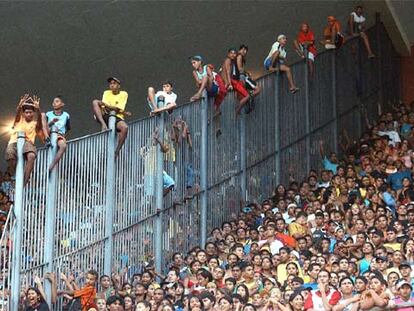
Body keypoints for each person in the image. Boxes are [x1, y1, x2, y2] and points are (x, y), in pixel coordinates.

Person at [5, 94, 43, 185]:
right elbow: (18, 113)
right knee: (10, 154)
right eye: (26, 112)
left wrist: (38, 109)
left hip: (28, 142)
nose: (29, 114)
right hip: (15, 141)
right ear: (24, 113)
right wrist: (20, 106)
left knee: (31, 156)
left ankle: (24, 181)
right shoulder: (19, 120)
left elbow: (40, 122)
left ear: (33, 113)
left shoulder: (34, 123)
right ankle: (14, 175)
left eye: (30, 112)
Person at [92, 77, 130, 156]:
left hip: (117, 117)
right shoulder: (106, 92)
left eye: (114, 83)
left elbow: (117, 109)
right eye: (110, 83)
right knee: (95, 102)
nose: (112, 85)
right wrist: (108, 107)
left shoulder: (124, 94)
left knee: (125, 127)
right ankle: (103, 125)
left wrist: (107, 106)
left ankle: (117, 151)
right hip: (105, 115)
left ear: (119, 86)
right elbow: (104, 107)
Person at [42, 95, 71, 171]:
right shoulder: (48, 114)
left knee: (63, 146)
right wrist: (51, 123)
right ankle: (47, 140)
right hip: (49, 133)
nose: (54, 103)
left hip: (59, 135)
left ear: (62, 104)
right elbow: (44, 126)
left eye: (57, 101)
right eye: (53, 102)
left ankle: (52, 166)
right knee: (42, 115)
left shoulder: (66, 115)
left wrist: (63, 137)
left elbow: (67, 128)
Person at [221, 48, 251, 115]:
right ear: (228, 54)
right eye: (231, 53)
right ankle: (238, 109)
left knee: (244, 93)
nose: (233, 55)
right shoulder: (228, 60)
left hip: (232, 81)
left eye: (234, 53)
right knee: (247, 95)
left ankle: (239, 108)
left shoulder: (231, 61)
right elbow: (228, 73)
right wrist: (229, 83)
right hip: (231, 82)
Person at [236, 45, 261, 113]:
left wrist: (247, 72)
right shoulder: (239, 56)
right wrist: (246, 75)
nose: (244, 51)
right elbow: (240, 69)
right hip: (242, 77)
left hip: (239, 79)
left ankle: (247, 101)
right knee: (258, 90)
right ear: (239, 50)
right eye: (243, 50)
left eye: (245, 50)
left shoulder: (240, 57)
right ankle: (250, 96)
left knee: (242, 96)